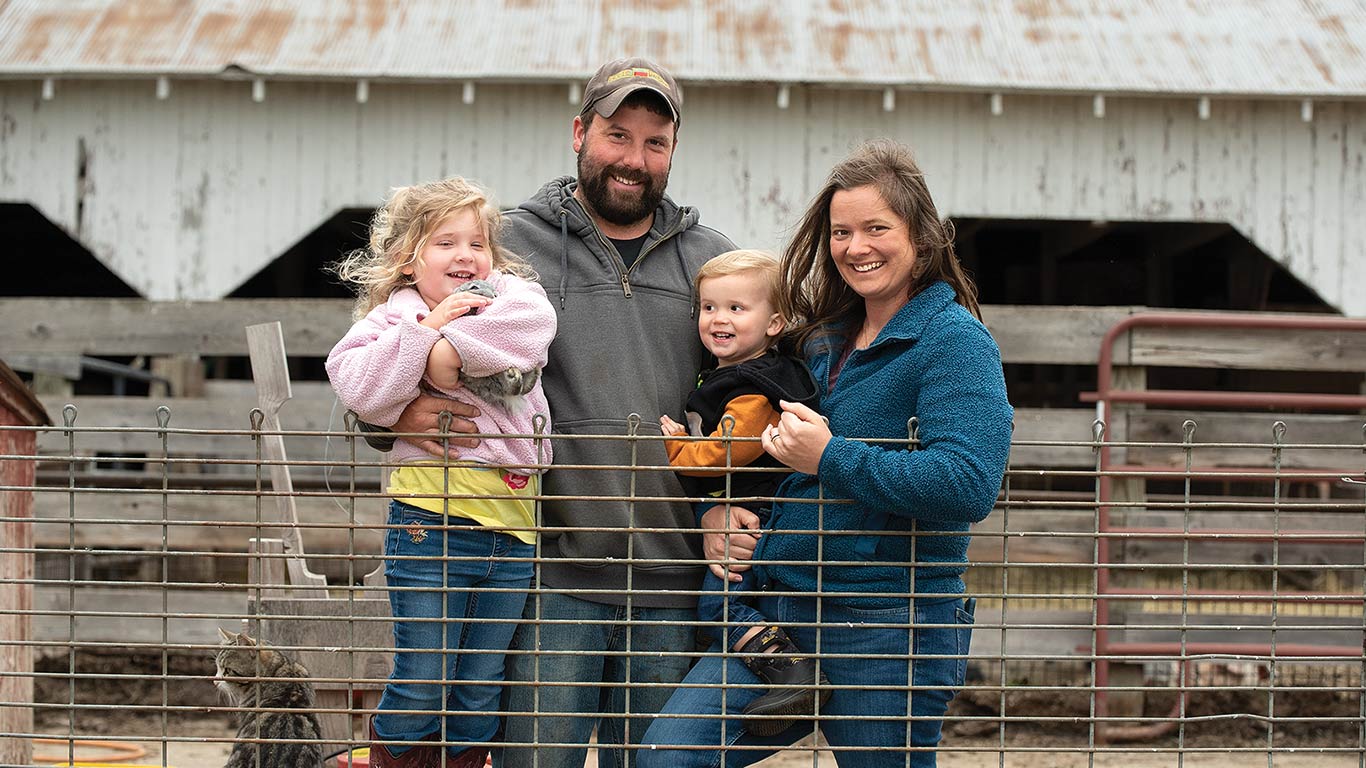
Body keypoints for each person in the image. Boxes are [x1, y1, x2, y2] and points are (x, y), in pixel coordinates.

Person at [369, 58, 736, 768]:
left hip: (673, 576)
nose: (634, 159)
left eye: (654, 142)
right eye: (616, 135)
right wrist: (390, 420)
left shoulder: (713, 263)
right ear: (579, 133)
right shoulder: (506, 248)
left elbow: (755, 393)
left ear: (673, 151)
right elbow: (387, 336)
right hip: (548, 577)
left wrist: (733, 500)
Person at [638, 140, 1014, 767]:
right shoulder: (820, 341)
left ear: (920, 236)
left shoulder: (955, 343)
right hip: (780, 615)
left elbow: (969, 482)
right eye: (842, 232)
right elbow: (764, 459)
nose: (855, 246)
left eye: (875, 228)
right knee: (666, 758)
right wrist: (718, 515)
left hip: (886, 622)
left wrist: (832, 457)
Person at [326, 176, 557, 768]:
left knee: (481, 682)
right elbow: (357, 382)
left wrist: (444, 353)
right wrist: (425, 334)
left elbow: (534, 324)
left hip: (512, 525)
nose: (466, 256)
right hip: (431, 521)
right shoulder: (388, 321)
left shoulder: (510, 299)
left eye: (477, 243)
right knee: (425, 675)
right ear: (408, 260)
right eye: (445, 242)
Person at [658, 249, 827, 736]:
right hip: (756, 505)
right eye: (709, 308)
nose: (718, 319)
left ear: (775, 323)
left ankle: (790, 669)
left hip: (756, 508)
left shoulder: (755, 386)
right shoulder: (741, 374)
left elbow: (725, 452)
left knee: (719, 607)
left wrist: (677, 448)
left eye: (736, 308)